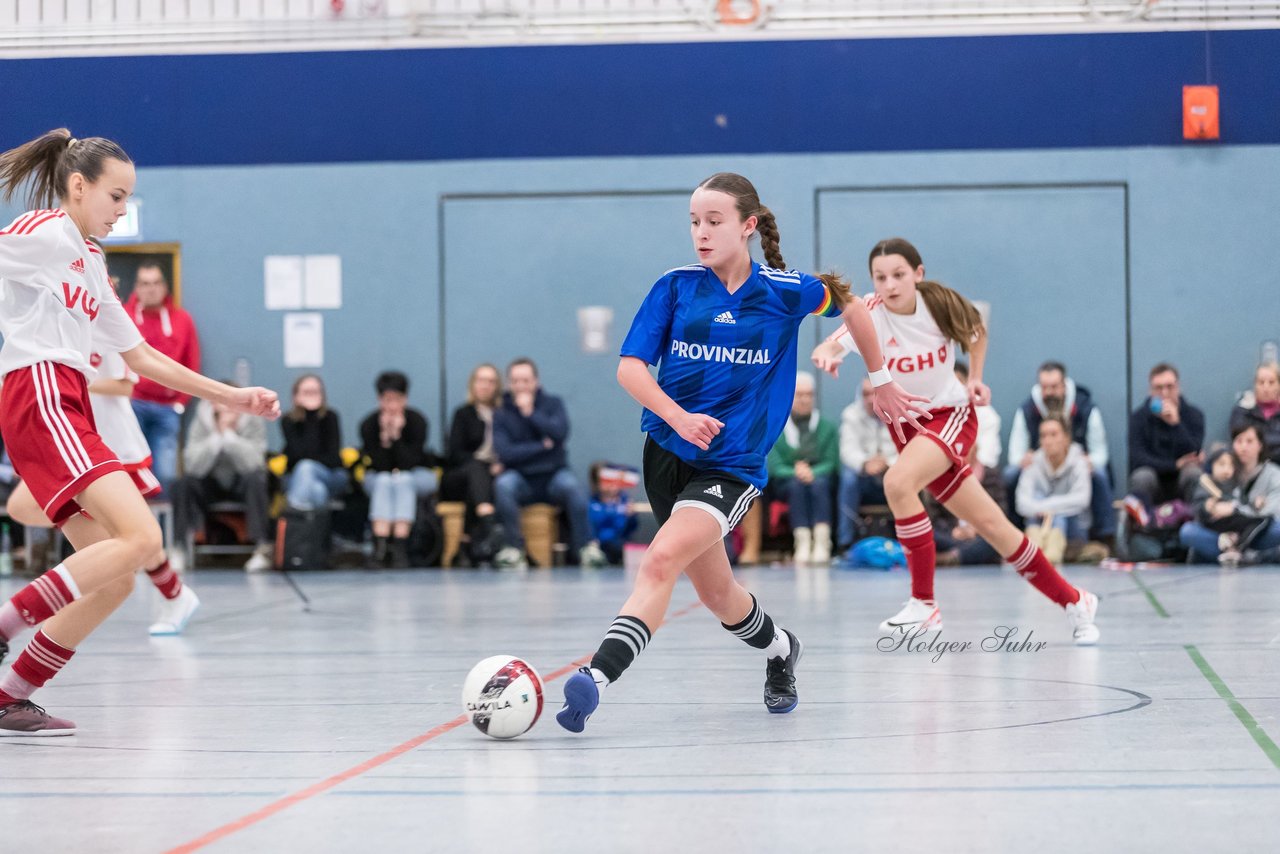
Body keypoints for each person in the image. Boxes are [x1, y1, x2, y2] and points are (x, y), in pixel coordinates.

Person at [556, 172, 926, 734]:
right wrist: (677, 416)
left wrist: (880, 377)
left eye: (714, 221)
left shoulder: (783, 290)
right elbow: (629, 367)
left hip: (730, 468)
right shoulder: (676, 287)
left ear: (747, 226)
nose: (700, 233)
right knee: (718, 594)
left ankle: (595, 678)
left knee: (658, 560)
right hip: (665, 454)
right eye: (694, 222)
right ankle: (781, 648)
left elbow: (855, 306)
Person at [0, 128, 278, 735]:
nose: (122, 211)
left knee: (117, 577)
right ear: (78, 186)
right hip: (40, 391)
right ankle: (4, 626)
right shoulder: (44, 232)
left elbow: (144, 357)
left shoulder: (92, 261)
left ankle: (9, 694)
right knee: (141, 536)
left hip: (69, 402)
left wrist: (234, 396)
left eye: (128, 199)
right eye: (116, 196)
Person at [811, 237, 1100, 645]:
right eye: (880, 277)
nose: (889, 285)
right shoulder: (870, 314)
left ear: (918, 274)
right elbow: (829, 342)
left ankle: (924, 605)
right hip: (911, 429)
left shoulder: (938, 304)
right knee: (994, 527)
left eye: (898, 275)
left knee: (897, 483)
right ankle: (1076, 600)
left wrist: (977, 378)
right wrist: (827, 355)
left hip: (951, 416)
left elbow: (977, 330)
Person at [6, 344, 201, 635]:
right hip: (69, 434)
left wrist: (75, 381)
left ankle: (173, 594)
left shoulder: (98, 323)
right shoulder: (49, 329)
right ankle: (171, 592)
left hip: (107, 438)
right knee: (23, 506)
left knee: (133, 534)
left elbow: (125, 385)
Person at [491, 358, 603, 569]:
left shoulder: (553, 404)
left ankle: (586, 548)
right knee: (503, 485)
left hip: (553, 475)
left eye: (525, 380)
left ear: (536, 381)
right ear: (509, 384)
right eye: (515, 381)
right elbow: (505, 453)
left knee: (572, 488)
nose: (521, 386)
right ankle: (513, 549)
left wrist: (531, 414)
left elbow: (560, 434)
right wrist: (542, 447)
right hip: (520, 478)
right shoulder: (501, 412)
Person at [1004, 361, 1114, 539]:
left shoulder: (1087, 409)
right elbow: (1015, 456)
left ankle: (1106, 535)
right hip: (1041, 471)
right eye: (1044, 387)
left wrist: (1088, 462)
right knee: (1011, 473)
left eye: (1054, 387)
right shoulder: (1026, 411)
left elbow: (1100, 454)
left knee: (1099, 473)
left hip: (1078, 468)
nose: (1049, 393)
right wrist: (1023, 460)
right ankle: (1014, 536)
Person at [171, 388, 274, 572]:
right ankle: (179, 548)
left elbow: (255, 462)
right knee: (184, 483)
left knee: (257, 479)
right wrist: (218, 435)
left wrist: (230, 437)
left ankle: (262, 548)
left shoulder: (253, 420)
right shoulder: (201, 421)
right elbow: (192, 464)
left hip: (241, 482)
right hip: (210, 482)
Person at [124, 259, 201, 497]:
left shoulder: (182, 320)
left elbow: (192, 363)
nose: (151, 288)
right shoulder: (123, 316)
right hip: (131, 405)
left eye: (156, 283)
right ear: (136, 287)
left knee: (165, 476)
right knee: (129, 472)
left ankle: (162, 533)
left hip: (167, 408)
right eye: (145, 283)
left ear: (165, 286)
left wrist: (180, 403)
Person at [359, 370, 437, 568]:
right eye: (387, 399)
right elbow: (379, 466)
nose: (392, 405)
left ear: (405, 399)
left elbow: (409, 463)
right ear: (379, 399)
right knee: (385, 480)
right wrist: (385, 439)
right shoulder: (369, 424)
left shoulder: (417, 421)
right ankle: (381, 546)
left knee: (402, 480)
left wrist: (398, 437)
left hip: (416, 475)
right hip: (380, 478)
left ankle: (400, 547)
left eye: (397, 399)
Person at [766, 371, 840, 564]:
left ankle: (823, 542)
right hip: (786, 483)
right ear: (790, 396)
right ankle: (803, 543)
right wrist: (797, 472)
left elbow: (831, 462)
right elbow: (775, 466)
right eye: (800, 395)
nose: (805, 400)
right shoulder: (777, 427)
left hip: (820, 479)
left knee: (819, 484)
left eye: (809, 395)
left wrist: (811, 472)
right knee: (796, 486)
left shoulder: (827, 427)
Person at [1179, 425, 1280, 564]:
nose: (1244, 447)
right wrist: (1210, 508)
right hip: (1222, 534)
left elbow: (1272, 512)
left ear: (1260, 445)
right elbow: (1202, 508)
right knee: (1188, 531)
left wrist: (1234, 509)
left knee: (1277, 527)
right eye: (1239, 441)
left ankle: (1240, 554)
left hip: (1256, 532)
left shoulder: (1273, 474)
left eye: (1249, 441)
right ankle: (1241, 556)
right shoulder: (1222, 473)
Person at [441, 363, 503, 564]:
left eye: (491, 381)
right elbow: (455, 452)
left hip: (487, 478)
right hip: (458, 476)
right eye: (481, 380)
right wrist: (483, 464)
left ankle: (466, 545)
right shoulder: (463, 413)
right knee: (477, 470)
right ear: (473, 384)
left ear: (497, 386)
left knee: (478, 486)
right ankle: (489, 526)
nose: (485, 386)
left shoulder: (503, 415)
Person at [1014, 416, 1093, 563]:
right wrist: (1044, 509)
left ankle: (1044, 553)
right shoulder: (1033, 462)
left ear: (1066, 438)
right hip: (1038, 522)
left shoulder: (1079, 462)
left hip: (1073, 527)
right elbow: (1021, 504)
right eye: (1043, 435)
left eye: (1053, 434)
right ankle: (1039, 550)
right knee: (1036, 501)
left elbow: (1082, 499)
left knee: (1057, 516)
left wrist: (1047, 507)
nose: (1048, 441)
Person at [1128, 363, 1205, 507]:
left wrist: (1176, 424)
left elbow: (1194, 453)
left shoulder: (1194, 415)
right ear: (1150, 391)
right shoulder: (1138, 418)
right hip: (1154, 478)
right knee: (1141, 476)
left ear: (1178, 387)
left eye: (1170, 387)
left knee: (1194, 473)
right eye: (1158, 388)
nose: (1164, 393)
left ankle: (1195, 521)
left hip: (1182, 479)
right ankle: (1142, 526)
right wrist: (1174, 465)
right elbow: (1138, 459)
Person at [837, 377, 897, 552]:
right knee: (848, 478)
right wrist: (865, 463)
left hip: (892, 473)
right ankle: (845, 543)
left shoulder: (899, 411)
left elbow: (908, 448)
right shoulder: (851, 415)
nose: (871, 399)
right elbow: (847, 451)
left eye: (875, 393)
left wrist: (888, 463)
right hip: (865, 477)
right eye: (866, 394)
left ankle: (910, 538)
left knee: (911, 474)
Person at [280, 374, 347, 511]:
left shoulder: (331, 417)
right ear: (296, 396)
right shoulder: (288, 420)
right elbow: (297, 453)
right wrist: (310, 416)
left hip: (330, 474)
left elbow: (333, 458)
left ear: (322, 395)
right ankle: (315, 529)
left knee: (306, 466)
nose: (311, 396)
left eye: (315, 392)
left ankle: (294, 518)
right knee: (317, 490)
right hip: (296, 476)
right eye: (306, 392)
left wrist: (313, 415)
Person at [1229, 362, 1280, 466]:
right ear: (1255, 385)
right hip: (1251, 468)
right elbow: (1242, 443)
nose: (1266, 388)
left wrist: (1258, 443)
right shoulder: (1242, 411)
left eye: (1271, 382)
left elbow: (1254, 442)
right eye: (1261, 382)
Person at [588, 463, 638, 565]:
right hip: (600, 545)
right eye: (606, 480)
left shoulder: (624, 501)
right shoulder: (592, 503)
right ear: (597, 483)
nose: (611, 485)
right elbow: (593, 525)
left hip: (620, 545)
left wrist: (631, 517)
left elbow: (630, 529)